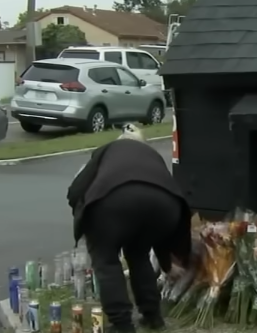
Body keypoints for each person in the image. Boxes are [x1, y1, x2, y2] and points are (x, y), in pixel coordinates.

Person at [67, 124, 193, 333]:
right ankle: (153, 317)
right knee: (138, 255)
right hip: (168, 206)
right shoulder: (151, 154)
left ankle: (122, 325)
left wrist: (82, 213)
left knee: (106, 261)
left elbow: (76, 189)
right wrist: (168, 262)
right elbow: (159, 189)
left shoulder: (107, 150)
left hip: (115, 201)